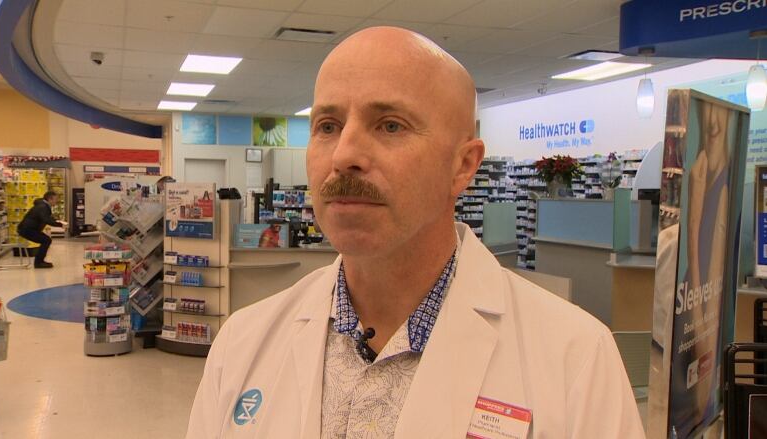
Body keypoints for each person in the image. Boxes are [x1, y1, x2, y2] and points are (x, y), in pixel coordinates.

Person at [187, 27, 645, 438]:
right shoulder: (243, 342)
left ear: (463, 165)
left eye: (390, 125)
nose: (344, 154)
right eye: (328, 126)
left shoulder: (576, 359)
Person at [17, 191, 65, 268]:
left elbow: (47, 218)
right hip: (27, 230)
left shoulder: (43, 205)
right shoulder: (43, 206)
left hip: (29, 229)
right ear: (50, 199)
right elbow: (46, 219)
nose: (57, 201)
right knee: (46, 240)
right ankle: (38, 262)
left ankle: (39, 261)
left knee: (46, 240)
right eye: (56, 199)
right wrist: (60, 225)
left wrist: (57, 221)